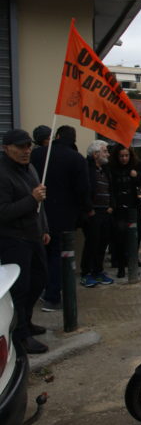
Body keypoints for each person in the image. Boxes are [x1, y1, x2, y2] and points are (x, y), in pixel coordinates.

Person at [0, 129, 50, 354]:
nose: (26, 150)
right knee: (20, 289)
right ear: (6, 148)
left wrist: (44, 228)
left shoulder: (30, 168)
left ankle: (27, 321)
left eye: (28, 146)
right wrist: (31, 199)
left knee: (39, 280)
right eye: (20, 147)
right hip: (14, 239)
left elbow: (40, 202)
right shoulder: (3, 173)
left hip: (34, 235)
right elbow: (3, 212)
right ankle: (21, 335)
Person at [30, 125, 90, 311]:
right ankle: (53, 297)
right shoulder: (76, 159)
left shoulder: (37, 154)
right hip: (64, 216)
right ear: (73, 139)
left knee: (42, 255)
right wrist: (87, 210)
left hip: (37, 213)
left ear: (56, 136)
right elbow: (83, 189)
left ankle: (42, 291)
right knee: (59, 256)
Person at [109, 144, 141, 278]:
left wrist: (136, 175)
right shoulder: (112, 168)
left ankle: (132, 263)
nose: (124, 158)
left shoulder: (137, 165)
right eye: (121, 156)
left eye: (126, 155)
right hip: (119, 208)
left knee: (135, 237)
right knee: (119, 238)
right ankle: (121, 266)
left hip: (134, 208)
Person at [81, 140, 115, 287]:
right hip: (93, 213)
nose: (107, 154)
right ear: (95, 154)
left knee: (103, 243)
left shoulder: (105, 169)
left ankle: (98, 271)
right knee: (92, 243)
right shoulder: (86, 169)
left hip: (105, 212)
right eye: (105, 151)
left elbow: (111, 188)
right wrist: (90, 209)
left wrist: (111, 205)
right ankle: (86, 273)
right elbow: (83, 190)